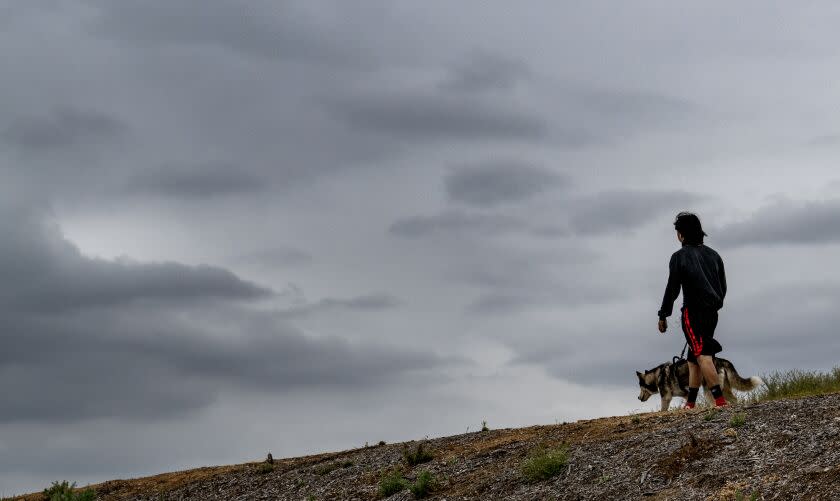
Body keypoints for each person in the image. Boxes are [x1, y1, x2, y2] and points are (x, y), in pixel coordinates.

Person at [657, 212, 728, 409]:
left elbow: (672, 288)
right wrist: (715, 303)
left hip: (693, 312)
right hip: (712, 313)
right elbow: (723, 286)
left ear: (681, 234)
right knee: (693, 357)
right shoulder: (714, 255)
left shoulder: (679, 257)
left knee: (703, 355)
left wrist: (663, 314)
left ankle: (720, 401)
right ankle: (690, 403)